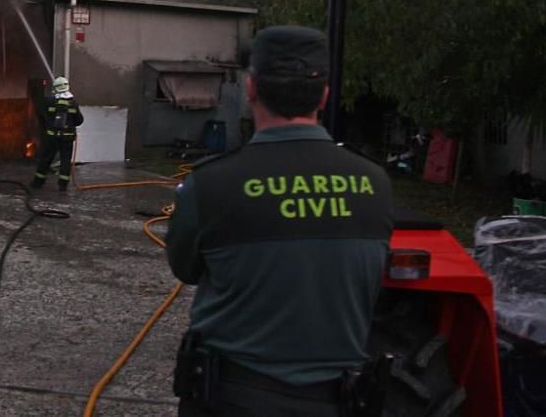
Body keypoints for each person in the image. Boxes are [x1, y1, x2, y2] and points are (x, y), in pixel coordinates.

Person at [165, 25, 394, 417]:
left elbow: (185, 267)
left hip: (228, 400)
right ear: (324, 95)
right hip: (335, 402)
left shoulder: (209, 184)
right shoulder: (375, 183)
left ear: (251, 88)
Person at [30, 76, 83, 192]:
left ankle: (37, 183)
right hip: (67, 138)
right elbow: (79, 120)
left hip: (52, 137)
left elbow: (42, 116)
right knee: (65, 160)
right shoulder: (73, 102)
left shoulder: (49, 101)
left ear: (55, 88)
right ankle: (63, 186)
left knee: (46, 159)